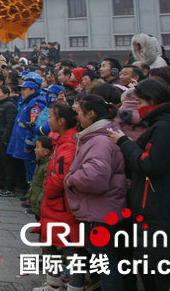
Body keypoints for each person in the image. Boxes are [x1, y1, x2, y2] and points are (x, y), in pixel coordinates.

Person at [108, 78, 170, 291]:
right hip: (160, 202)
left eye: (139, 103)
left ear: (151, 100)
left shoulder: (166, 127)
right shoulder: (168, 121)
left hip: (159, 205)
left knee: (156, 268)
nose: (138, 109)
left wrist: (123, 143)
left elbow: (151, 165)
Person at [65, 95, 127, 291]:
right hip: (102, 208)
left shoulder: (100, 140)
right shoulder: (102, 135)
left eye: (80, 113)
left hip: (98, 210)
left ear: (91, 114)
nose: (77, 117)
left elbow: (95, 177)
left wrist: (71, 179)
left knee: (106, 263)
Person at [34, 104, 80, 291]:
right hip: (55, 206)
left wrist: (49, 192)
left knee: (70, 248)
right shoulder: (61, 141)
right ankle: (53, 283)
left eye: (51, 116)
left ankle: (74, 287)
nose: (48, 120)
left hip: (61, 206)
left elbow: (61, 177)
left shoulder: (69, 144)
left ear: (62, 121)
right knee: (49, 243)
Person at [0, 85, 18, 197]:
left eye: (0, 92)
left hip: (3, 139)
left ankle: (9, 187)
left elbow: (10, 124)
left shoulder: (10, 106)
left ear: (7, 94)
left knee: (7, 164)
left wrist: (5, 138)